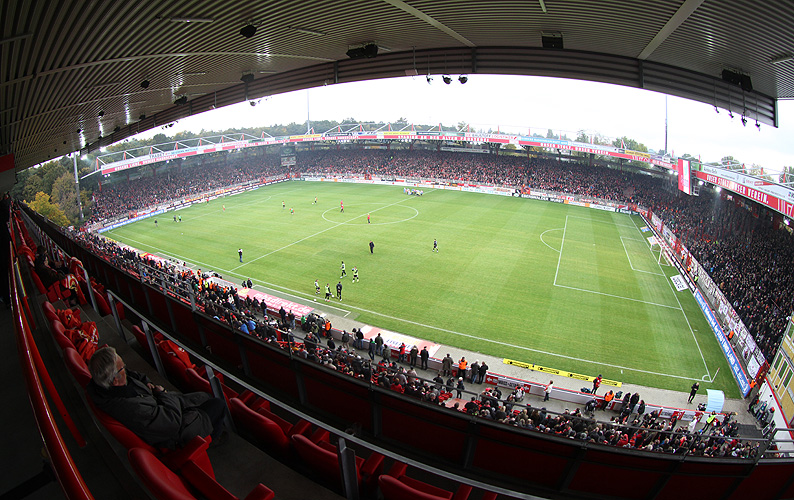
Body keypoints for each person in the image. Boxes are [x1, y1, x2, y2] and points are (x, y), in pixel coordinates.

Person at [87, 347, 225, 449]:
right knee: (218, 404)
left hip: (162, 407)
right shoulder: (132, 409)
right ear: (115, 380)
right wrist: (163, 394)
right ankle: (213, 438)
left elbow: (136, 376)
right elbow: (172, 422)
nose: (125, 368)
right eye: (122, 367)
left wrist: (148, 384)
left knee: (205, 396)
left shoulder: (106, 384)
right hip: (175, 432)